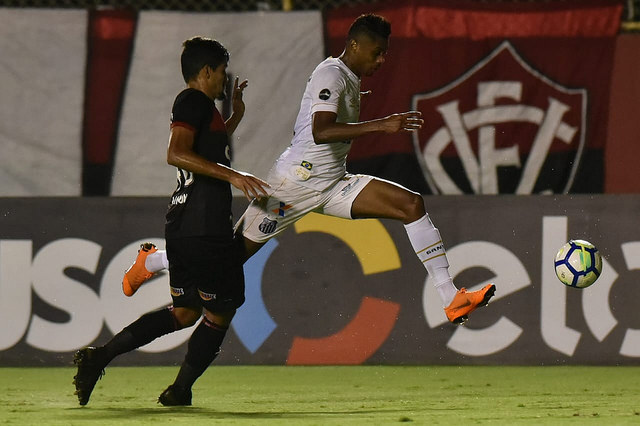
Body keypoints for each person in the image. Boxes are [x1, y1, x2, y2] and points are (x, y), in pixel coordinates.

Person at [123, 13, 495, 325]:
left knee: (411, 205)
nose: (381, 60)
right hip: (295, 184)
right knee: (229, 257)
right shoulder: (331, 74)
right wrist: (382, 125)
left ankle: (450, 298)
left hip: (333, 183)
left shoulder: (349, 78)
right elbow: (321, 131)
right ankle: (152, 260)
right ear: (354, 46)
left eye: (385, 53)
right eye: (377, 52)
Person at [73, 36, 269, 407]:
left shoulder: (202, 108)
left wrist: (236, 115)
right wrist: (233, 176)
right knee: (222, 310)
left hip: (182, 224)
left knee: (185, 311)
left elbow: (204, 148)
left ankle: (99, 356)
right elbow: (176, 153)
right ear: (207, 71)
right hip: (204, 226)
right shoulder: (192, 100)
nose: (225, 79)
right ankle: (180, 390)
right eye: (222, 72)